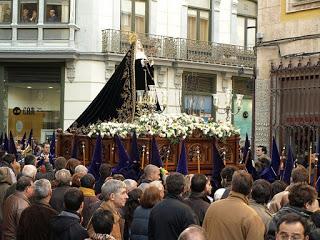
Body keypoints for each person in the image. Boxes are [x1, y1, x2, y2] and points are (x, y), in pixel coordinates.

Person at [203, 170, 265, 240]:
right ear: (250, 190)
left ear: (232, 186)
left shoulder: (212, 207)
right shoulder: (252, 216)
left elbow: (203, 234)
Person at [148, 172, 199, 240]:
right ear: (183, 188)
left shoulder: (155, 208)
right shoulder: (186, 210)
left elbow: (151, 235)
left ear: (166, 187)